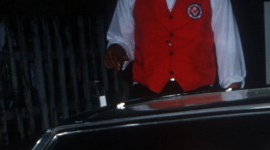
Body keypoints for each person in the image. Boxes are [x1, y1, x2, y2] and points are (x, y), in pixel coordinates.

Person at [104, 0, 246, 98]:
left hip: (199, 96)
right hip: (146, 96)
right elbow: (121, 38)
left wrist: (233, 91)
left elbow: (227, 44)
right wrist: (117, 48)